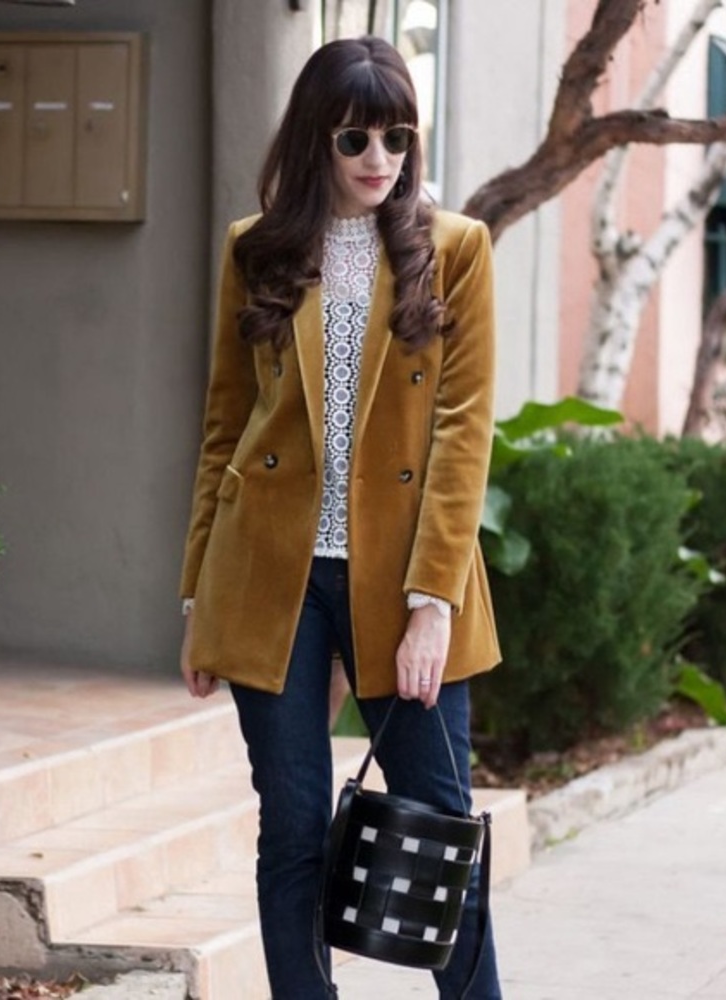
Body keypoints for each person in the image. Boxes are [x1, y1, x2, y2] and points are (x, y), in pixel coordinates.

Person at [179, 35, 502, 1000]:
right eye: (357, 138)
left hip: (403, 581)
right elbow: (224, 424)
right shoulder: (258, 247)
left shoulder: (455, 250)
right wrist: (198, 592)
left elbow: (461, 434)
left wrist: (432, 602)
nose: (379, 160)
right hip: (271, 575)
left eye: (398, 138)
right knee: (291, 830)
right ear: (316, 139)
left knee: (440, 826)